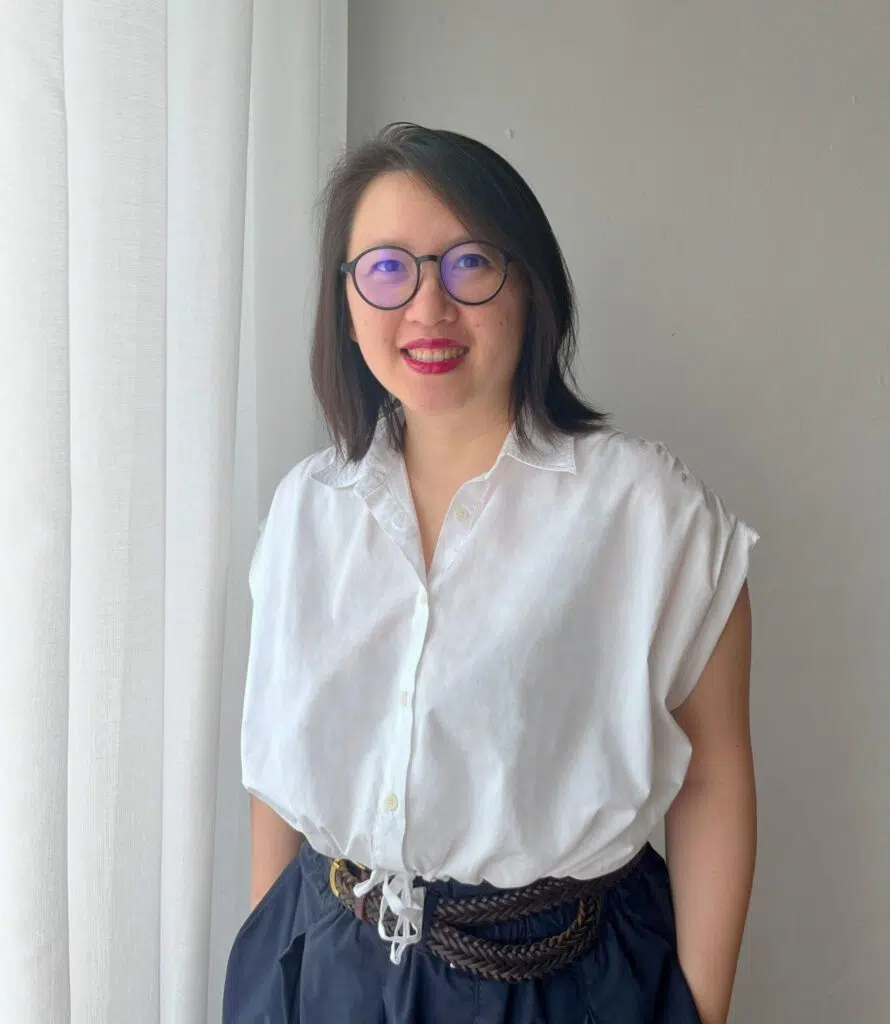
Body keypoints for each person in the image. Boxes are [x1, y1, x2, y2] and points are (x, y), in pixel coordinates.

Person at [223, 123, 759, 1024]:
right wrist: (274, 964)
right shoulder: (305, 509)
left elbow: (714, 773)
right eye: (387, 269)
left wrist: (702, 1010)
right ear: (347, 303)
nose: (428, 309)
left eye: (469, 264)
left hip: (562, 983)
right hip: (322, 966)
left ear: (530, 284)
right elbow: (277, 778)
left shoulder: (648, 510)